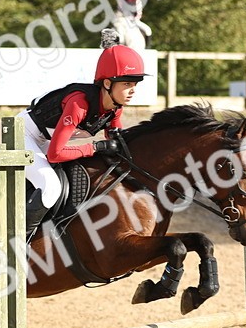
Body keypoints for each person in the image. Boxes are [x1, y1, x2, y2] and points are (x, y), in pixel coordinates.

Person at [18, 33, 149, 236]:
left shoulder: (115, 107)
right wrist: (94, 147)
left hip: (47, 140)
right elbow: (55, 154)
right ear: (107, 84)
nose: (132, 90)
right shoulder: (79, 104)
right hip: (23, 135)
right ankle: (20, 240)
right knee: (50, 186)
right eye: (126, 84)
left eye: (134, 84)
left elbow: (117, 141)